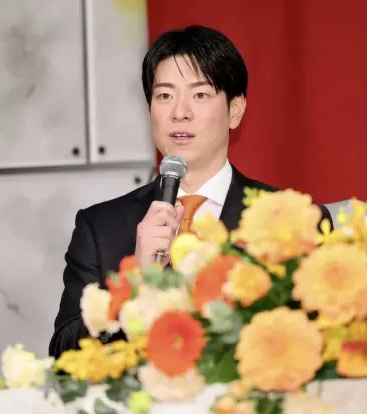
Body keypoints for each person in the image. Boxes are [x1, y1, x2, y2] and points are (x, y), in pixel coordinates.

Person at [49, 25, 333, 358]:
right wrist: (135, 287)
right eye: (164, 96)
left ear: (235, 109)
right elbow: (63, 357)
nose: (180, 113)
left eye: (200, 95)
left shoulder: (293, 221)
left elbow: (323, 343)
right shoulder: (100, 227)